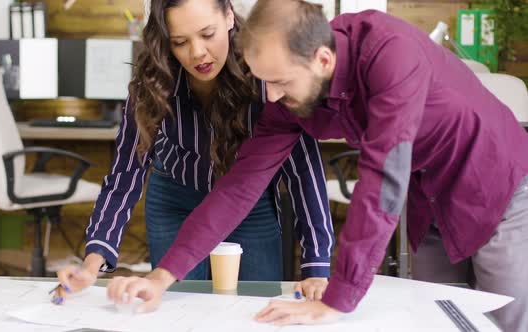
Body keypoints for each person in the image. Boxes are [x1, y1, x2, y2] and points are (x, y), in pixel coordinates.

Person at [104, 1, 528, 331]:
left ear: (322, 60)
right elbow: (237, 189)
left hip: (496, 184)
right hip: (428, 197)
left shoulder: (389, 54)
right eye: (263, 81)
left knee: (506, 320)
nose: (269, 97)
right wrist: (162, 277)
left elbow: (381, 180)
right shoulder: (286, 93)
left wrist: (335, 299)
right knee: (433, 318)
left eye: (280, 82)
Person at [54, 0, 335, 305]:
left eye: (207, 33)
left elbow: (304, 172)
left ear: (229, 16)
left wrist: (316, 267)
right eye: (180, 42)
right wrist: (92, 263)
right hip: (175, 202)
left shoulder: (267, 69)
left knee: (254, 308)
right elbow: (125, 176)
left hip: (248, 206)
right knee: (180, 307)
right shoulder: (153, 82)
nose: (198, 52)